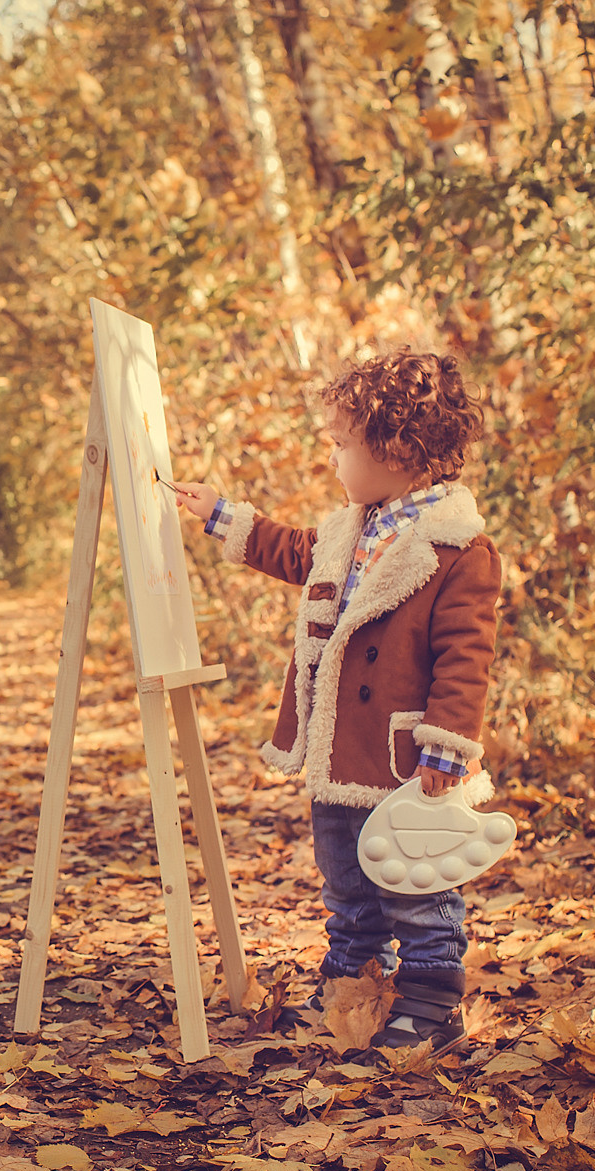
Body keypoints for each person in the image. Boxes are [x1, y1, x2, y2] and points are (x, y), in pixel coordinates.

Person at [170, 348, 500, 1048]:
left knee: (414, 879)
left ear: (398, 449)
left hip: (407, 758)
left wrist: (446, 745)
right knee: (347, 881)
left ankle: (432, 996)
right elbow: (293, 550)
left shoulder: (457, 547)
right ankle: (353, 981)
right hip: (338, 745)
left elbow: (465, 658)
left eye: (343, 445)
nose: (333, 459)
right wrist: (223, 514)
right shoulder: (352, 527)